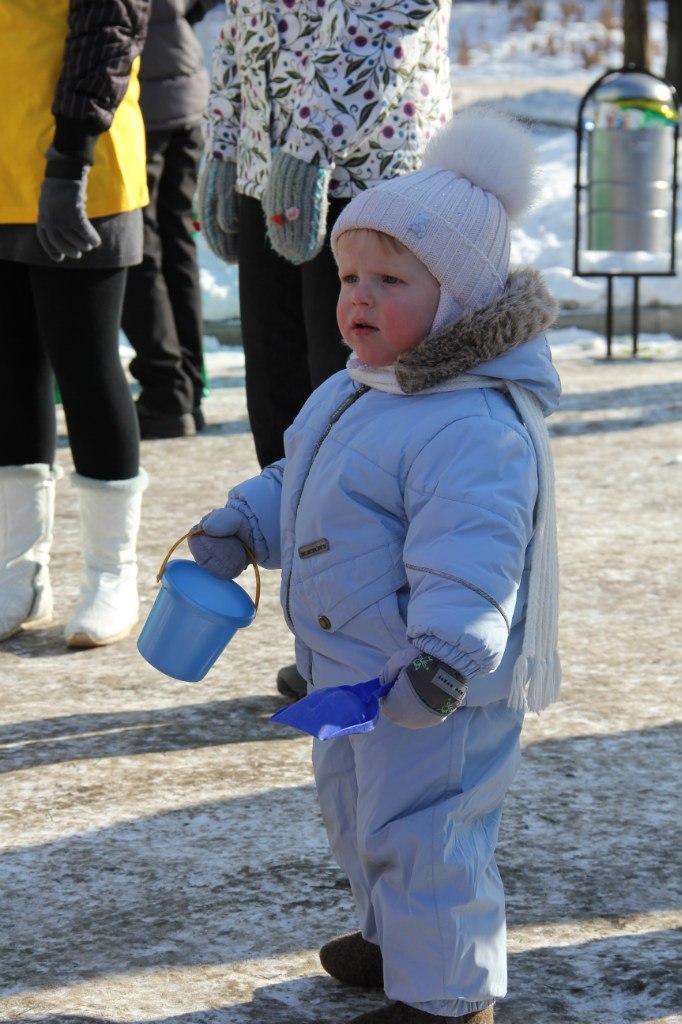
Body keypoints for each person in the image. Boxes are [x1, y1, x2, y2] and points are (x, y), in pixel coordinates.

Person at [186, 109, 561, 1023]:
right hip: (355, 674)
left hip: (431, 682)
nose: (357, 297)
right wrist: (246, 520)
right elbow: (308, 480)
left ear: (460, 298)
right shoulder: (358, 385)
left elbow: (474, 558)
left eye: (390, 280)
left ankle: (450, 994)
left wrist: (443, 658)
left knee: (427, 830)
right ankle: (400, 940)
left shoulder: (471, 424)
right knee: (358, 814)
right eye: (350, 275)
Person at [196, 0, 454, 698]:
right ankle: (326, 627)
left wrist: (312, 139)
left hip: (367, 171)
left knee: (361, 419)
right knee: (286, 411)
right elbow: (244, 19)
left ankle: (382, 642)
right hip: (269, 169)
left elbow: (389, 13)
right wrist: (223, 139)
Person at [0, 0, 151, 648]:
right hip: (4, 157)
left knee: (87, 364)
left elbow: (110, 26)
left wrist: (71, 156)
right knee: (8, 372)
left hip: (79, 162)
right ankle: (17, 572)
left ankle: (111, 573)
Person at [122, 0, 220, 440]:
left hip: (139, 97)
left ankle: (166, 391)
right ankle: (187, 389)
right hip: (186, 91)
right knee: (176, 243)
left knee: (136, 246)